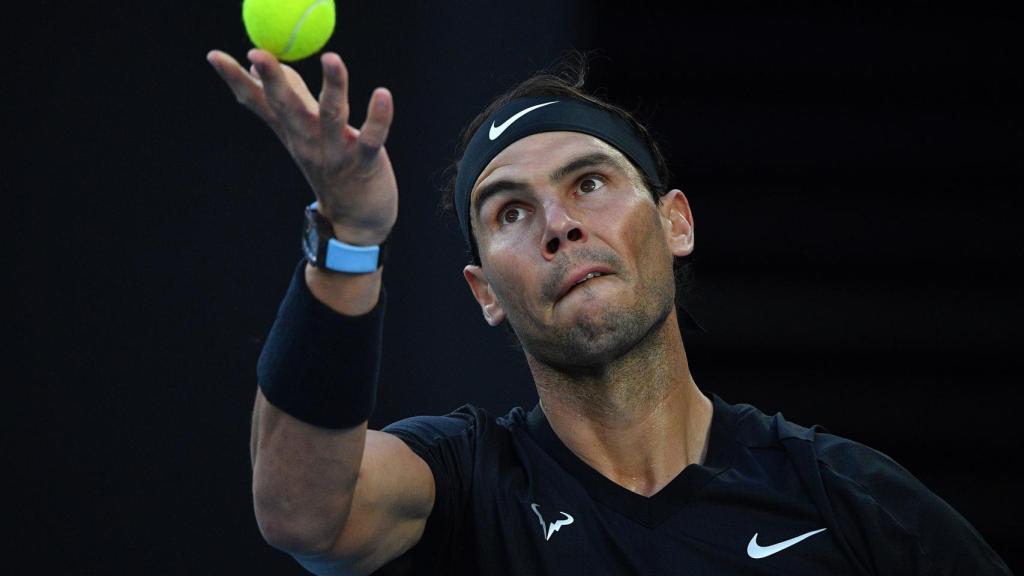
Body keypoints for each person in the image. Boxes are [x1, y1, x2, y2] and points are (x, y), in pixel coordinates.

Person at [206, 47, 1013, 576]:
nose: (558, 224)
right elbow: (303, 510)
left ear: (676, 223)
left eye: (589, 183)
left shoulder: (847, 498)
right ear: (484, 293)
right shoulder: (464, 487)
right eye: (509, 212)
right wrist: (350, 236)